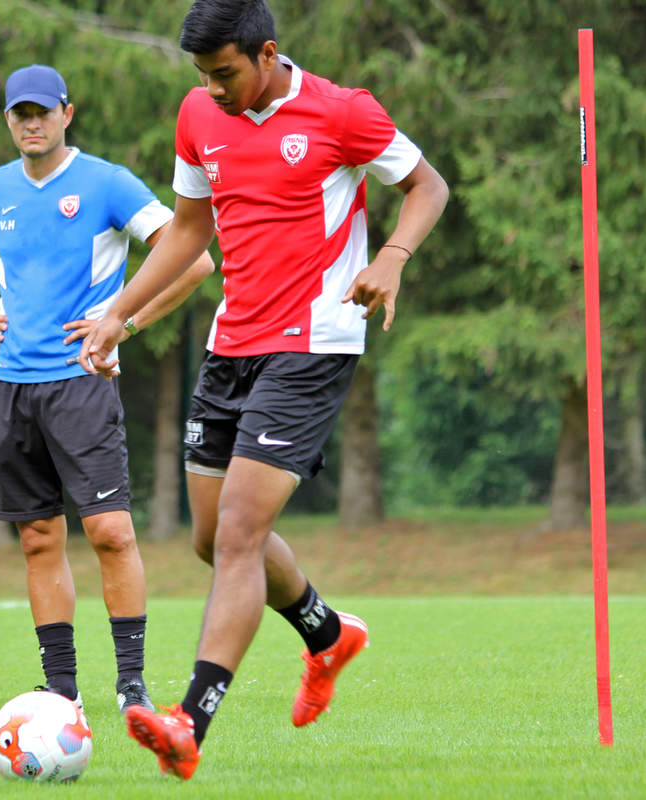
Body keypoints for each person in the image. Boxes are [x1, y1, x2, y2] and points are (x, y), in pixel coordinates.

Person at [80, 0, 450, 778]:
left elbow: (428, 186)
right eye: (202, 76)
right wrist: (120, 313)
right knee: (211, 540)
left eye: (224, 74)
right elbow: (188, 230)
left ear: (267, 52)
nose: (212, 89)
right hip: (231, 345)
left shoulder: (341, 111)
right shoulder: (198, 113)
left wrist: (394, 256)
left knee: (241, 535)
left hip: (313, 346)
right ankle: (326, 633)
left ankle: (190, 721)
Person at [0, 65, 214, 714]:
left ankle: (132, 683)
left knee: (111, 531)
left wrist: (127, 322)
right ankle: (61, 688)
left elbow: (193, 259)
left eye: (42, 112)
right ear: (8, 121)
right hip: (7, 389)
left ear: (66, 113)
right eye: (19, 114)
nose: (31, 123)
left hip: (80, 384)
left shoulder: (106, 182)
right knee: (37, 539)